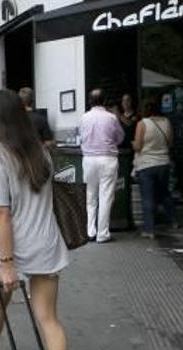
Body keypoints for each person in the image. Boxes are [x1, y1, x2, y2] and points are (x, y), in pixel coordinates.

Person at [0, 89, 70, 350]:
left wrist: (8, 264)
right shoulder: (42, 153)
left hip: (10, 246)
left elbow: (1, 213)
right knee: (48, 318)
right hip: (46, 243)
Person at [79, 88, 124, 243]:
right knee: (105, 197)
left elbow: (82, 136)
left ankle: (90, 231)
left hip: (89, 159)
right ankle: (102, 234)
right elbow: (120, 137)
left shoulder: (84, 117)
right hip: (107, 159)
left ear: (90, 101)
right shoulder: (111, 118)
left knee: (90, 196)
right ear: (105, 101)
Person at [131, 97, 178, 239]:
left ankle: (149, 230)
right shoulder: (166, 122)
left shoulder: (142, 124)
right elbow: (170, 143)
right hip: (163, 163)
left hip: (146, 165)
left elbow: (138, 146)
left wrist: (132, 143)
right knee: (164, 193)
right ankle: (174, 221)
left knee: (148, 197)